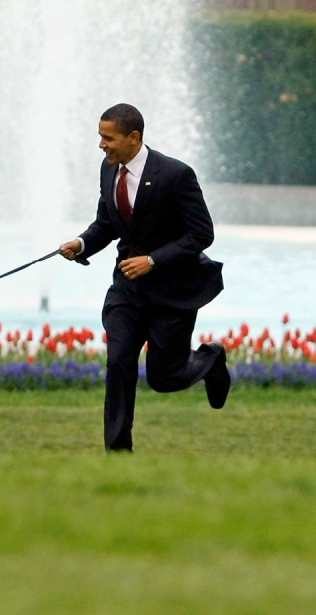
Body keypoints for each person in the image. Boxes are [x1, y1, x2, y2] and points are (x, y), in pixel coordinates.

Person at [59, 103, 229, 452]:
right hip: (127, 291)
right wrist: (82, 243)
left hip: (172, 292)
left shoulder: (176, 175)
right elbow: (106, 225)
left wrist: (153, 260)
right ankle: (118, 452)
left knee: (164, 378)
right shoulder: (109, 171)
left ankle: (210, 358)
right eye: (100, 137)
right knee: (119, 362)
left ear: (133, 137)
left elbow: (202, 234)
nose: (102, 145)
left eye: (109, 138)